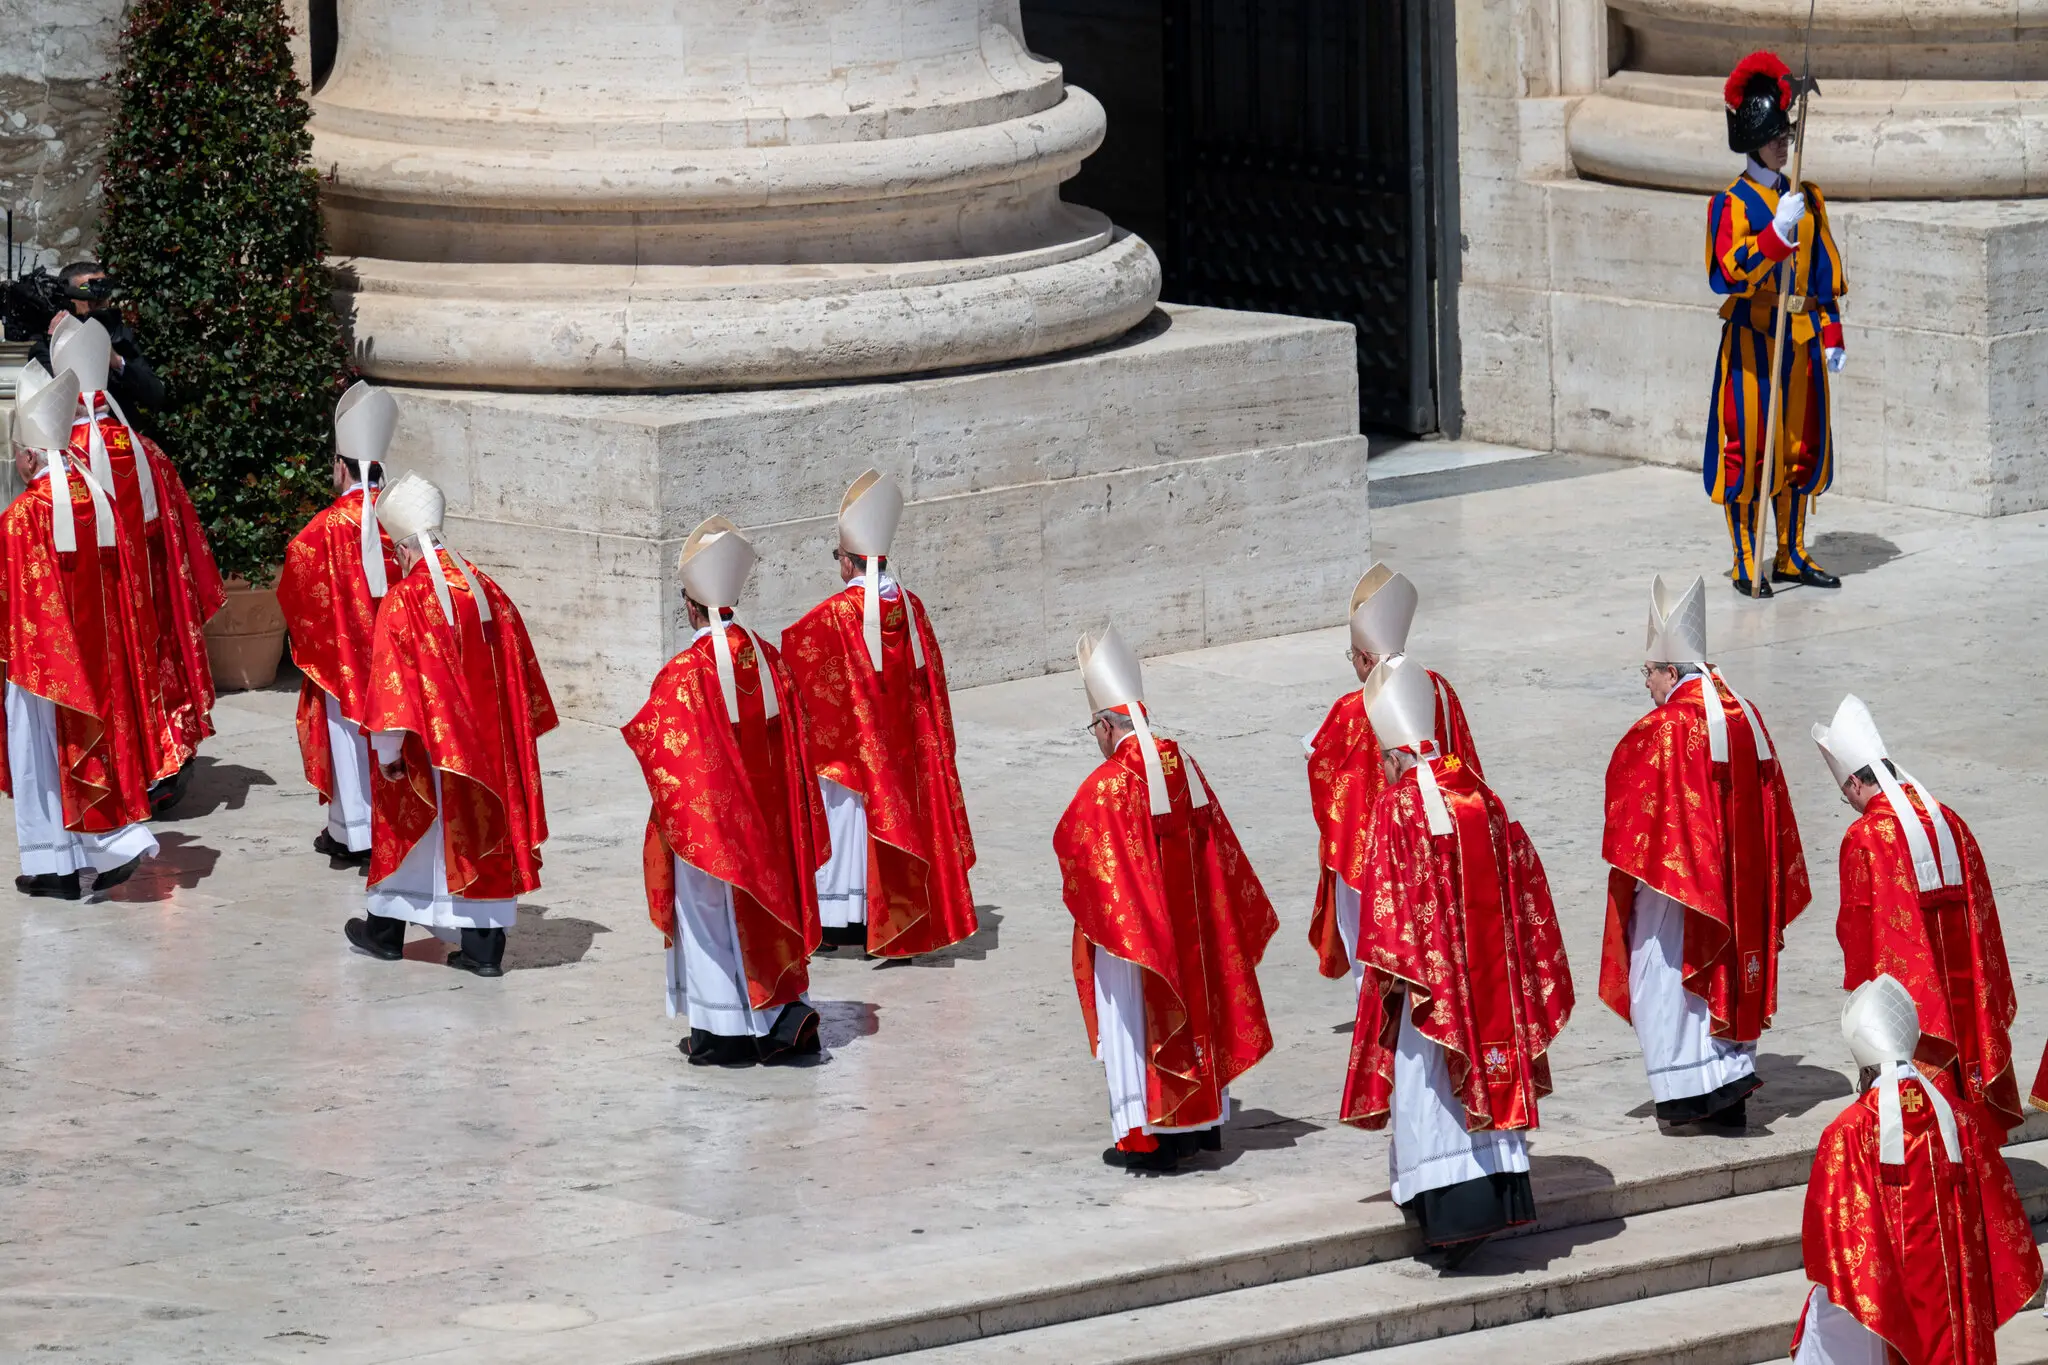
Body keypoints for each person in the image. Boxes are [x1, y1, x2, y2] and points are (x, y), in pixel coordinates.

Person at [1338, 657, 1571, 1266]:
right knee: (1476, 1087)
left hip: (1430, 991)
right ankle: (1496, 1201)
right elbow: (1523, 878)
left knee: (1427, 1089)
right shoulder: (1479, 793)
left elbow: (1384, 911)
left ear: (1395, 757)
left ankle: (1448, 1217)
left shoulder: (1394, 808)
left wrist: (1393, 978)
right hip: (1486, 983)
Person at [1054, 623, 1277, 1172]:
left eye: (1095, 730)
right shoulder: (1187, 766)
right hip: (1191, 940)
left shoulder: (1109, 785)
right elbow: (1220, 852)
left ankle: (1147, 1137)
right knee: (1194, 1012)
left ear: (1108, 724)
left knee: (1131, 1017)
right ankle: (1194, 1130)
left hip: (1141, 944)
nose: (1098, 740)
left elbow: (1075, 848)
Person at [1600, 575, 1808, 1129]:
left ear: (1671, 671)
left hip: (1682, 885)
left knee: (1661, 972)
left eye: (1648, 672)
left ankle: (1689, 1093)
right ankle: (1729, 1085)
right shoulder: (1746, 712)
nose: (1646, 684)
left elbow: (1632, 798)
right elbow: (1773, 801)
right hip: (1740, 886)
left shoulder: (1670, 726)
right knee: (1727, 973)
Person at [622, 515, 829, 1066]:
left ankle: (724, 1034)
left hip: (711, 825)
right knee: (765, 913)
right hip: (771, 821)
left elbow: (664, 752)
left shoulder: (684, 673)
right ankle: (781, 1013)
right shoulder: (769, 659)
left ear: (691, 605)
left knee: (707, 915)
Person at [343, 474, 556, 978]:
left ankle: (385, 931)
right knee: (480, 833)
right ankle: (483, 949)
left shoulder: (405, 599)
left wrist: (389, 754)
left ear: (402, 550)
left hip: (425, 749)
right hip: (487, 751)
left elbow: (392, 686)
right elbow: (518, 668)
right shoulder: (485, 588)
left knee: (409, 829)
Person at [1792, 975, 2041, 1363]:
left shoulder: (1849, 1131)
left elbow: (1835, 1239)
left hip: (1880, 1315)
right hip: (1955, 1314)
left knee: (1831, 1325)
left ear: (1865, 1071)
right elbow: (2001, 1221)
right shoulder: (1963, 1121)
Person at [781, 469, 977, 958]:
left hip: (848, 749)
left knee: (838, 809)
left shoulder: (838, 614)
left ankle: (838, 922)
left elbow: (796, 662)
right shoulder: (910, 607)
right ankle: (883, 917)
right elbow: (929, 680)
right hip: (902, 748)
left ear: (851, 562)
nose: (839, 567)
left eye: (838, 558)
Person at [1810, 695, 2022, 1131]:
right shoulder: (1949, 820)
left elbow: (1859, 925)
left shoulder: (1866, 836)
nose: (1848, 801)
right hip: (1964, 984)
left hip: (1915, 994)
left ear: (1854, 783)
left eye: (1845, 793)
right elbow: (1982, 909)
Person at [50, 314, 222, 809]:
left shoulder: (64, 463)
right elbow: (178, 538)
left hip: (98, 605)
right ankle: (165, 760)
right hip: (150, 602)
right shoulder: (148, 453)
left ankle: (119, 772)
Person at [0, 369, 160, 898]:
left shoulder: (23, 515)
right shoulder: (96, 498)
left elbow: (14, 595)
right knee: (82, 750)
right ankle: (68, 862)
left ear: (27, 457)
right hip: (98, 653)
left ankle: (65, 864)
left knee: (37, 757)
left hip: (40, 658)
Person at [1705, 51, 1847, 596]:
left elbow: (1822, 276)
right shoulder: (1731, 205)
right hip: (1752, 342)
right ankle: (1747, 559)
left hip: (1802, 344)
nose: (1783, 143)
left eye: (1786, 134)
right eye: (1774, 136)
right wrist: (1773, 237)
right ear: (1752, 138)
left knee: (1798, 450)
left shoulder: (1805, 197)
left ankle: (1790, 553)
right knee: (1749, 450)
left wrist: (1831, 332)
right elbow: (1725, 273)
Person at [1305, 564, 1483, 995]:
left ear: (1367, 657)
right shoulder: (1437, 687)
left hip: (1376, 849)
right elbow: (1464, 757)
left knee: (1378, 954)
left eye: (1354, 656)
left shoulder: (1353, 708)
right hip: (1436, 835)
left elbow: (1324, 768)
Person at [277, 381, 402, 867]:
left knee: (348, 736)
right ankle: (366, 828)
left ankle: (359, 835)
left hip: (346, 654)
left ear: (341, 465)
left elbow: (295, 574)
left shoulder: (328, 526)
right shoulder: (399, 515)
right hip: (393, 655)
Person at [27, 263, 165, 424]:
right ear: (69, 298)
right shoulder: (46, 344)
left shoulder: (118, 334)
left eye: (103, 293)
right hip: (77, 442)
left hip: (120, 440)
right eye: (89, 292)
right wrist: (60, 348)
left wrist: (117, 361)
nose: (98, 301)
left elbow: (156, 394)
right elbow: (57, 403)